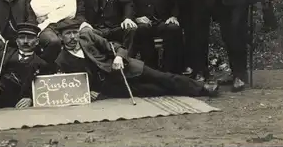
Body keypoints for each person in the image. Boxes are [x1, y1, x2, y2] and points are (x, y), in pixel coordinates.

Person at [54, 19, 219, 100]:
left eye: (74, 32)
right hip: (111, 86)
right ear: (60, 37)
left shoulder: (87, 36)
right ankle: (183, 91)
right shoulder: (62, 60)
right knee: (154, 90)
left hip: (126, 68)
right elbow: (72, 83)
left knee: (162, 77)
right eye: (67, 34)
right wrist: (85, 92)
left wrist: (119, 57)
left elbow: (117, 46)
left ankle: (202, 88)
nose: (73, 37)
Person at [127, 0, 184, 74]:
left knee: (174, 29)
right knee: (142, 30)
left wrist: (173, 16)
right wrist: (136, 19)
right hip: (144, 25)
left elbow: (175, 5)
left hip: (162, 23)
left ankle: (170, 70)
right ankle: (150, 69)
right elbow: (128, 8)